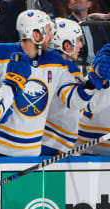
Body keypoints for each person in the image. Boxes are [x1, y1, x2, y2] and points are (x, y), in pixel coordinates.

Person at [0, 9, 110, 157]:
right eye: (48, 31)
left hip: (32, 152)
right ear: (36, 35)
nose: (52, 36)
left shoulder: (55, 61)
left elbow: (74, 101)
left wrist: (94, 79)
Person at [41, 18, 85, 155]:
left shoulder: (42, 61)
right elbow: (78, 102)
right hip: (57, 143)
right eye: (78, 40)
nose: (81, 45)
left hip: (42, 137)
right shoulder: (68, 67)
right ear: (67, 45)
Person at [67, 0, 108, 65]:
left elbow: (106, 47)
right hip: (77, 65)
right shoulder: (67, 24)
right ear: (69, 5)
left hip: (98, 66)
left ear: (89, 4)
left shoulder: (97, 25)